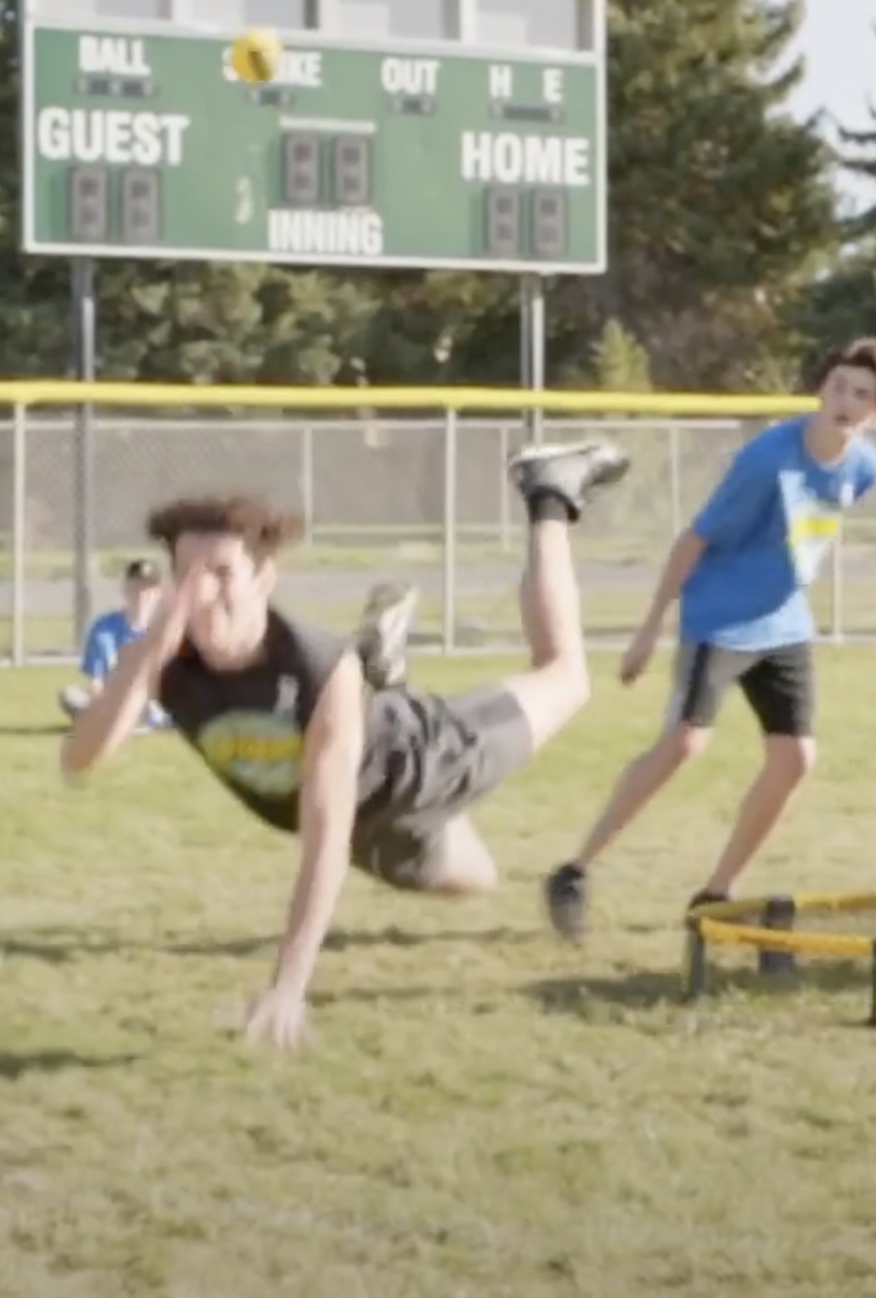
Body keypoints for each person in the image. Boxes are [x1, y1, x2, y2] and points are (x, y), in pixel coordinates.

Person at [57, 442, 632, 1049]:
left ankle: (549, 491)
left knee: (567, 675)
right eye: (188, 576)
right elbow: (79, 759)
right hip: (373, 829)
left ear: (264, 577)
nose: (202, 596)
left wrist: (289, 985)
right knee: (478, 880)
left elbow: (324, 838)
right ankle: (385, 676)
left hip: (425, 761)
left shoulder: (314, 667)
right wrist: (146, 655)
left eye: (222, 574)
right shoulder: (163, 660)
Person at [542, 340, 876, 938]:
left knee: (795, 758)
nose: (846, 401)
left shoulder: (866, 467)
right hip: (720, 618)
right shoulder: (768, 459)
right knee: (683, 745)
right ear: (820, 390)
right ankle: (574, 870)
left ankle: (717, 892)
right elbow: (694, 539)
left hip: (785, 623)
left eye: (862, 394)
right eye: (838, 386)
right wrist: (649, 630)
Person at [58, 559, 170, 731]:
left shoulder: (167, 628)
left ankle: (140, 719)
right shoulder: (104, 628)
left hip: (155, 699)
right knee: (69, 695)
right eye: (136, 587)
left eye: (148, 589)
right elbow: (97, 683)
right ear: (125, 589)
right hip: (114, 700)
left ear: (159, 594)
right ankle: (126, 720)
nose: (141, 594)